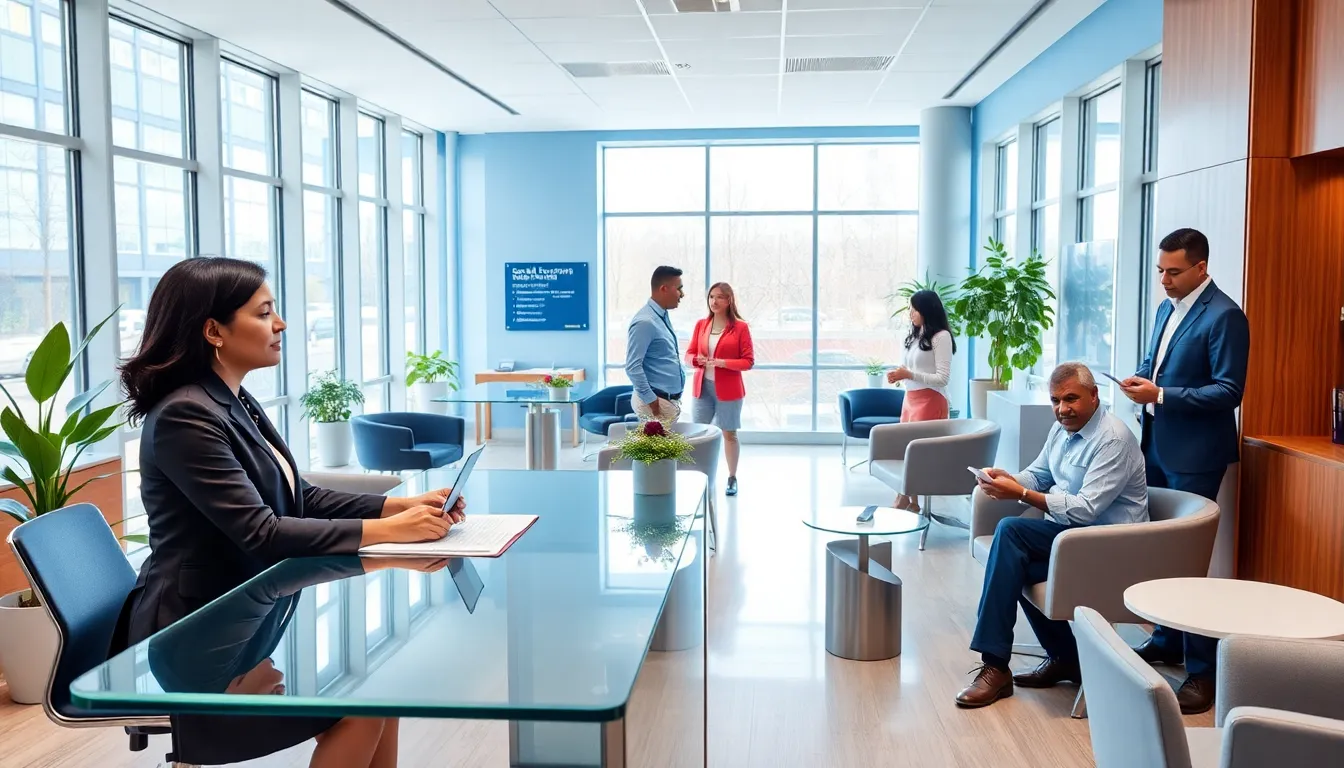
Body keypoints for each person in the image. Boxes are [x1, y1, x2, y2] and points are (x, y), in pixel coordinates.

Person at [117, 257, 466, 768]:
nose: (280, 324)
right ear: (214, 330)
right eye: (264, 313)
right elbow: (261, 533)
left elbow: (297, 496)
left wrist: (401, 503)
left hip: (244, 609)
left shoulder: (232, 400)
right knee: (363, 709)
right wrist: (391, 531)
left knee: (382, 693)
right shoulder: (186, 415)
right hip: (195, 632)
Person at [956, 363, 1148, 708]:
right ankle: (1055, 658)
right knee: (1012, 566)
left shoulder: (1113, 439)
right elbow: (1039, 475)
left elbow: (1086, 509)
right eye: (1056, 400)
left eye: (1071, 398)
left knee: (1011, 532)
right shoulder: (1062, 430)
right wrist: (1009, 480)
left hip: (1112, 546)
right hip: (1076, 538)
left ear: (1094, 396)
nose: (1063, 409)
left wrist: (1020, 495)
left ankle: (998, 666)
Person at [1118, 227, 1250, 715]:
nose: (1165, 280)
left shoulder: (1225, 316)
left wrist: (1163, 396)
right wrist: (1143, 380)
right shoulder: (1165, 309)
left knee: (1191, 561)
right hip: (1157, 444)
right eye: (1161, 271)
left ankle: (1202, 671)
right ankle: (1169, 639)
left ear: (1201, 267)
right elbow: (1158, 364)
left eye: (1174, 272)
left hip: (1196, 454)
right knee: (1162, 551)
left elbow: (1228, 390)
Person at [148, 556, 445, 766]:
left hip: (235, 637)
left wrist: (396, 518)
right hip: (192, 652)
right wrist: (383, 554)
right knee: (361, 713)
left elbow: (303, 500)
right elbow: (268, 531)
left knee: (382, 700)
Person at [886, 289, 956, 512]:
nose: (910, 313)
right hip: (911, 398)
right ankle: (912, 502)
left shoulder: (941, 337)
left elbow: (942, 378)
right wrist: (901, 374)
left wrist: (909, 375)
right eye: (909, 308)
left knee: (916, 453)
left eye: (914, 309)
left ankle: (902, 498)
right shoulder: (916, 335)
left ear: (926, 310)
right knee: (905, 449)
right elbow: (914, 368)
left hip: (931, 400)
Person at [685, 282, 755, 496]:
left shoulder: (740, 327)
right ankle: (702, 476)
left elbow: (748, 361)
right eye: (711, 297)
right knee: (699, 433)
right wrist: (697, 360)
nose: (714, 301)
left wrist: (723, 363)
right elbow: (688, 355)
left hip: (729, 390)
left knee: (729, 433)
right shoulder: (701, 325)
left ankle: (732, 478)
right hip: (702, 389)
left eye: (719, 297)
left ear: (729, 301)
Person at [626, 265, 686, 422]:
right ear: (664, 289)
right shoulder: (645, 322)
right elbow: (632, 367)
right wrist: (651, 400)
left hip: (664, 402)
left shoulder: (661, 316)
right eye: (679, 288)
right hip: (655, 405)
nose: (682, 294)